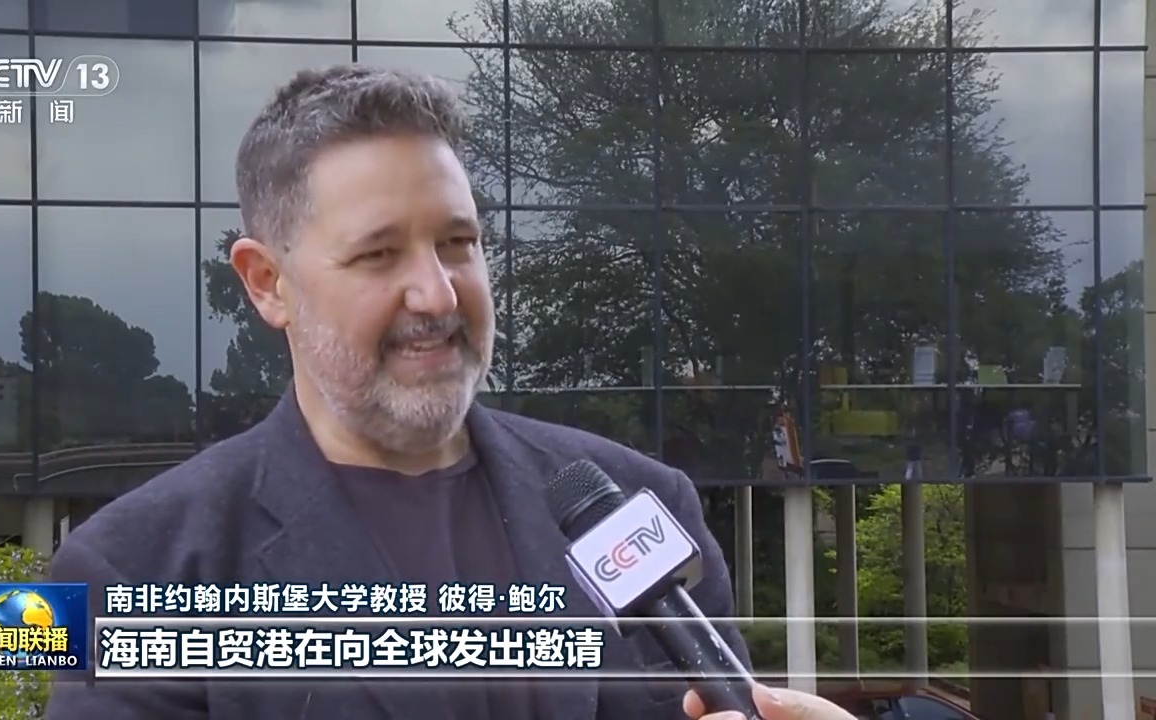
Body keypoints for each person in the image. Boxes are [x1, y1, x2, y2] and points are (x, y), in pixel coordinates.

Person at [44, 64, 854, 720]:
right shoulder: (139, 570)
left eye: (458, 242)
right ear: (267, 282)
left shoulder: (640, 509)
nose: (436, 294)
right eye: (378, 254)